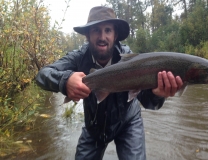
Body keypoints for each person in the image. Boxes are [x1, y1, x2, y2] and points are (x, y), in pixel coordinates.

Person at [36, 6, 183, 160]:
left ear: (115, 35)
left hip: (128, 123)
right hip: (94, 127)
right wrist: (65, 81)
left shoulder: (129, 59)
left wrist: (157, 94)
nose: (102, 36)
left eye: (108, 30)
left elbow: (148, 101)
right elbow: (42, 75)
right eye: (96, 30)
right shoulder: (79, 57)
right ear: (87, 35)